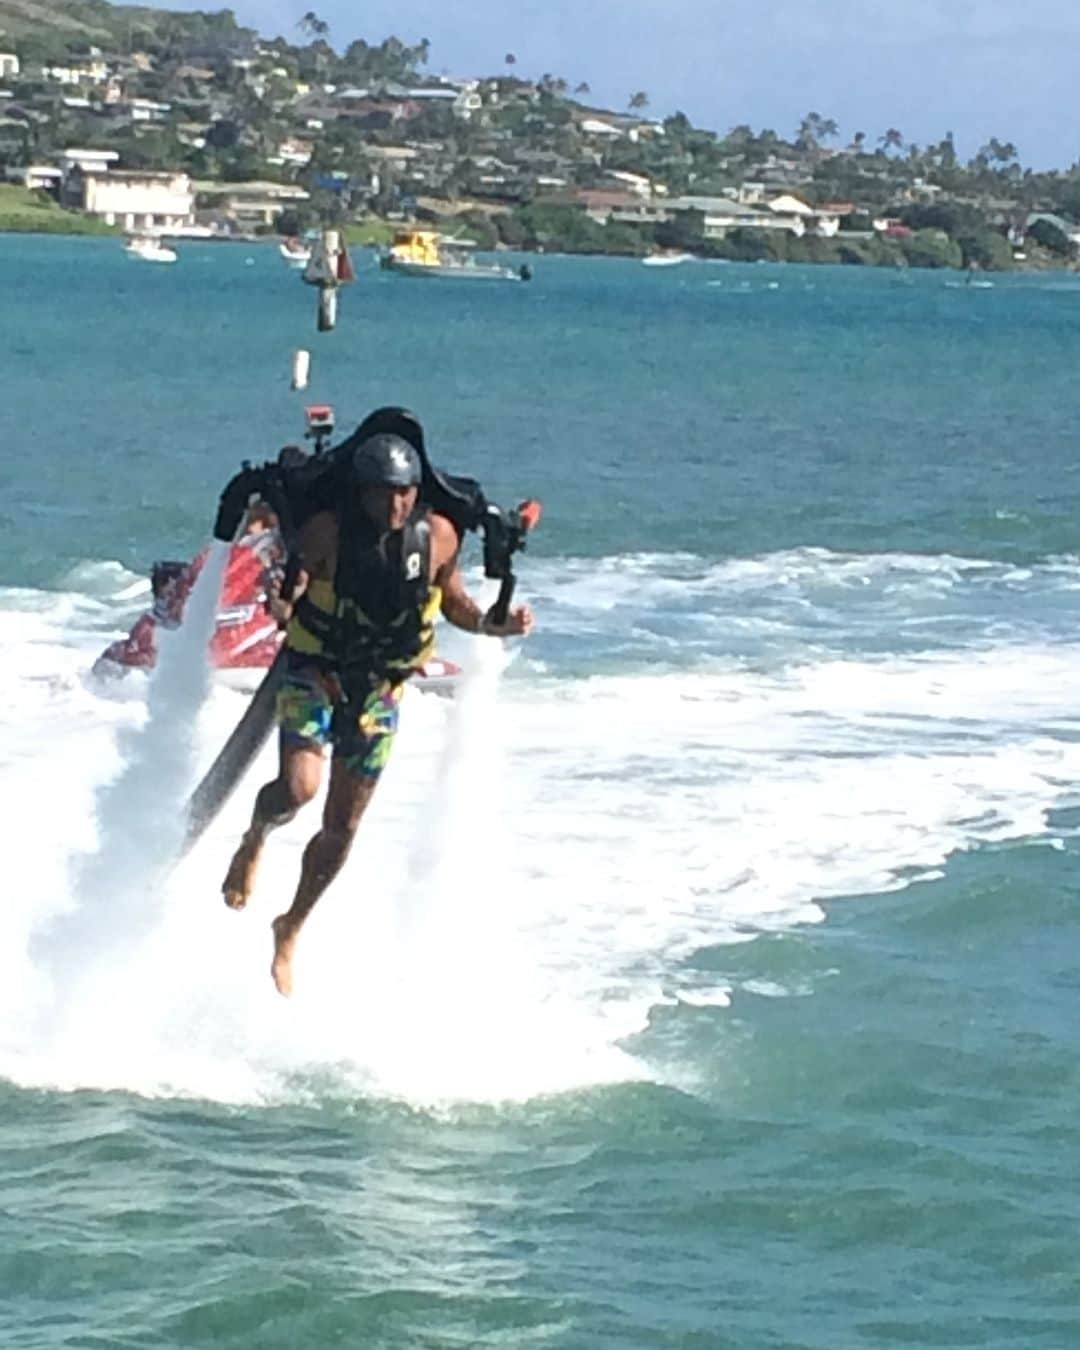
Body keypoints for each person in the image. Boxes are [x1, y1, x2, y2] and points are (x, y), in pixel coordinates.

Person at [221, 430, 534, 995]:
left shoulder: (437, 539)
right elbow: (289, 588)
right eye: (383, 494)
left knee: (341, 828)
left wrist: (494, 623)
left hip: (380, 690)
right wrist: (281, 604)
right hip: (317, 671)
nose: (395, 506)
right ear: (360, 494)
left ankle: (290, 926)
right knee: (297, 788)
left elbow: (455, 604)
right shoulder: (327, 535)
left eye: (405, 494)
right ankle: (255, 836)